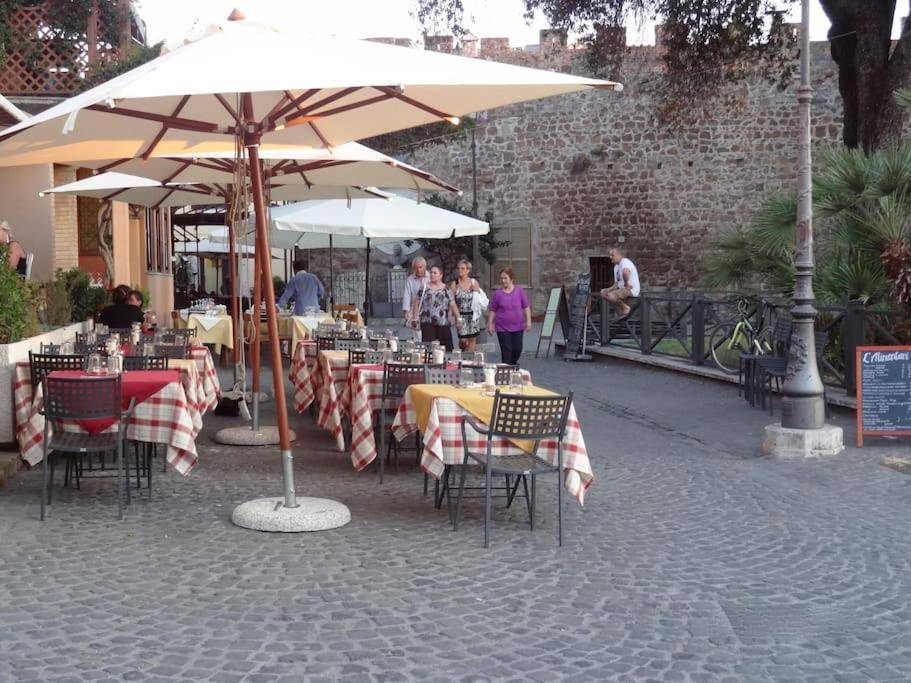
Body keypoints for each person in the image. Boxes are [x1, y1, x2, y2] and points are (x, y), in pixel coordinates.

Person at [487, 267, 531, 366]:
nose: (503, 281)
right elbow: (493, 310)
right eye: (501, 278)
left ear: (511, 279)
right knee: (506, 351)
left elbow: (526, 307)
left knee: (517, 348)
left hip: (518, 327)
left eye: (505, 278)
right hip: (502, 328)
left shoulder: (519, 291)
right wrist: (490, 324)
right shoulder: (498, 293)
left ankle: (513, 363)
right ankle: (506, 372)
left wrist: (528, 321)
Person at [411, 264, 462, 351]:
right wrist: (415, 318)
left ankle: (446, 363)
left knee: (447, 347)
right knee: (428, 348)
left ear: (440, 275)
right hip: (427, 322)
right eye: (431, 273)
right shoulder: (424, 287)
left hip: (443, 322)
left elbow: (452, 303)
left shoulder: (446, 288)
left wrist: (458, 318)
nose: (432, 275)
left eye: (435, 273)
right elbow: (417, 301)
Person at [450, 258, 487, 352]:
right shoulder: (455, 283)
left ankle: (469, 360)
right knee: (463, 340)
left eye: (462, 268)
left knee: (472, 339)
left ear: (468, 270)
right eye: (459, 268)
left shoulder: (473, 282)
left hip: (472, 315)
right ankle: (463, 351)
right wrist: (452, 316)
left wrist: (476, 290)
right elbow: (451, 301)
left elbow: (479, 298)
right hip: (461, 316)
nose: (460, 270)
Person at [599, 246, 640, 320]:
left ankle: (625, 308)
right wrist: (608, 289)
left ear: (618, 255)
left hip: (631, 289)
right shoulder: (616, 267)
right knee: (603, 293)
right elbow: (616, 284)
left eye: (612, 255)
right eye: (610, 255)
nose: (610, 257)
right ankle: (621, 312)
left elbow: (625, 273)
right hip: (623, 289)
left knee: (611, 295)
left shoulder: (625, 261)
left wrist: (627, 284)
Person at [401, 256, 429, 336]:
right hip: (415, 309)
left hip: (428, 309)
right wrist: (406, 310)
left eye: (420, 267)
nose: (418, 270)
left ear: (424, 267)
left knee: (428, 332)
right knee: (416, 332)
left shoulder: (430, 277)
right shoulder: (410, 279)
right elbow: (407, 294)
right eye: (416, 268)